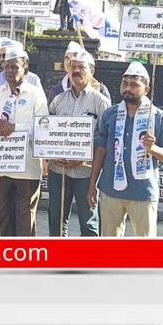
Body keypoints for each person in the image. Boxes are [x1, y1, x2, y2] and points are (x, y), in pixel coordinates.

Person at [87, 62, 163, 237]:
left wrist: (153, 149)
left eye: (134, 85)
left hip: (143, 192)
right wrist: (92, 184)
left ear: (146, 89)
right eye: (125, 84)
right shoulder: (110, 115)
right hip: (111, 190)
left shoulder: (159, 118)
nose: (128, 88)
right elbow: (101, 151)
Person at [0, 46, 49, 236]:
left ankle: (24, 260)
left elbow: (41, 127)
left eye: (15, 67)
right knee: (0, 217)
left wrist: (14, 128)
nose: (10, 71)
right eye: (7, 67)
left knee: (25, 218)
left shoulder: (36, 94)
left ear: (25, 70)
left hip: (27, 168)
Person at [47, 50, 110, 237]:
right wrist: (51, 154)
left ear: (91, 71)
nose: (76, 71)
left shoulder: (101, 102)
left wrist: (83, 157)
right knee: (56, 221)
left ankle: (88, 262)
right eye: (73, 67)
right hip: (59, 171)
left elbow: (105, 140)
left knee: (88, 222)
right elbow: (47, 132)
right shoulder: (58, 100)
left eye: (81, 67)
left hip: (86, 172)